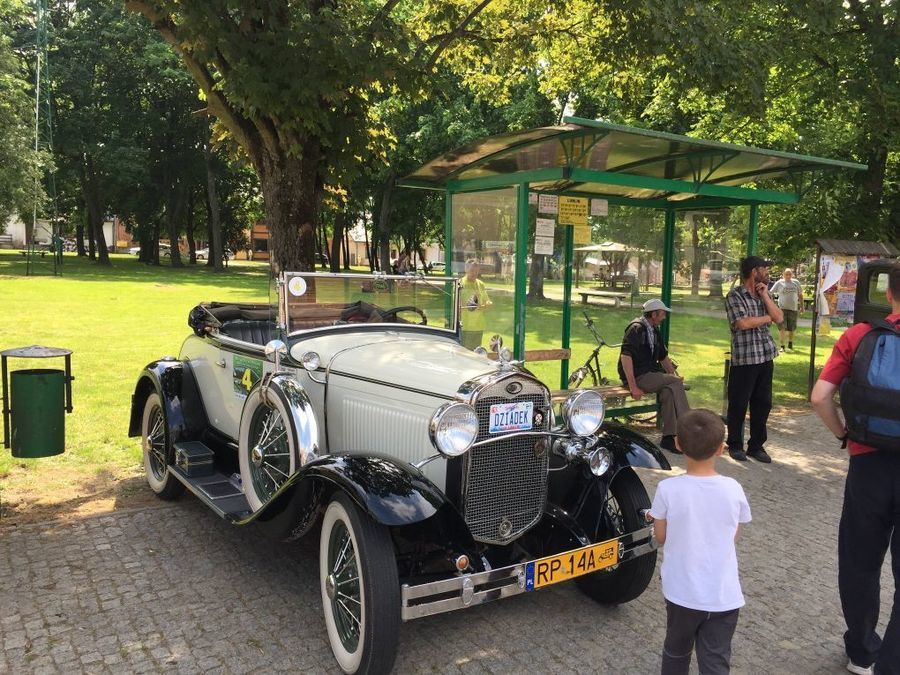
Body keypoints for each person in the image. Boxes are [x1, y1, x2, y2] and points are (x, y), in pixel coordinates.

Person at [810, 263, 900, 675]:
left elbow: (820, 396)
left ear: (889, 293)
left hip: (868, 464)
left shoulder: (860, 335)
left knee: (860, 561)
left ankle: (862, 652)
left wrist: (845, 435)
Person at [647, 408, 752, 675]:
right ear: (721, 448)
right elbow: (734, 535)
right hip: (723, 595)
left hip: (682, 593)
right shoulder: (733, 489)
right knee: (716, 660)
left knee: (676, 652)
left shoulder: (667, 489)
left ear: (679, 444)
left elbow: (661, 537)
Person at [724, 256, 783, 463]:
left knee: (763, 403)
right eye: (764, 269)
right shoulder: (735, 295)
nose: (767, 273)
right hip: (745, 358)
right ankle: (735, 445)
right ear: (753, 271)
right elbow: (743, 323)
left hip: (766, 356)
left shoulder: (764, 294)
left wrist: (766, 297)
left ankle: (756, 446)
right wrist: (769, 318)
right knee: (739, 403)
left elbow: (781, 317)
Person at [618, 298, 690, 453]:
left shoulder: (654, 330)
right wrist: (633, 387)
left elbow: (663, 357)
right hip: (638, 377)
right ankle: (689, 431)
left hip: (651, 374)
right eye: (662, 314)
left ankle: (669, 438)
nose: (664, 317)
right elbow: (626, 357)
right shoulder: (636, 328)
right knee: (675, 383)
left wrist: (673, 375)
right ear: (654, 314)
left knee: (669, 391)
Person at [459, 259, 492, 350]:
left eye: (477, 271)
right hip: (465, 326)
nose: (475, 274)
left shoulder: (480, 284)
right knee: (465, 353)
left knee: (476, 353)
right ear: (466, 270)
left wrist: (488, 304)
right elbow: (458, 305)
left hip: (478, 326)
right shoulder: (460, 284)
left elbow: (487, 300)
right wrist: (469, 306)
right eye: (472, 271)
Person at [770, 268, 804, 351]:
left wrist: (802, 307)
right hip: (782, 309)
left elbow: (800, 295)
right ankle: (782, 346)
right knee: (782, 328)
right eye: (786, 274)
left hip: (793, 309)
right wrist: (772, 304)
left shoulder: (796, 282)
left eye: (790, 274)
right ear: (783, 274)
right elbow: (770, 293)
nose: (788, 276)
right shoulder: (779, 283)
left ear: (792, 275)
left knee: (791, 328)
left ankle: (790, 343)